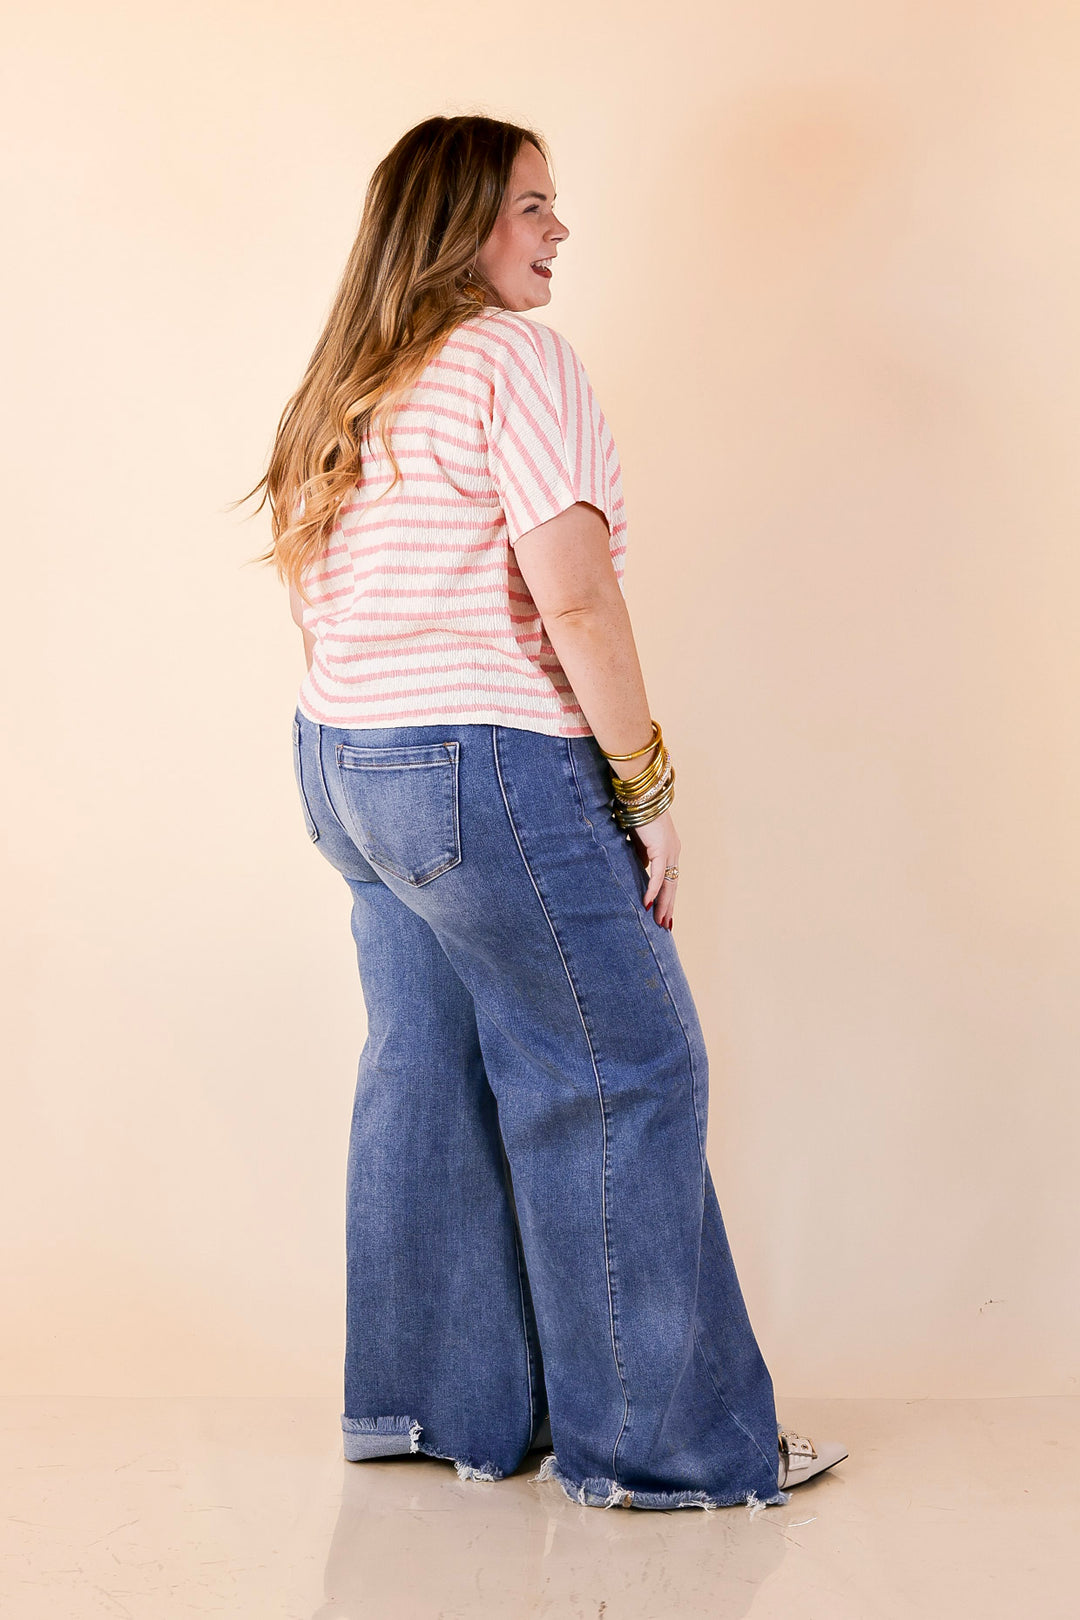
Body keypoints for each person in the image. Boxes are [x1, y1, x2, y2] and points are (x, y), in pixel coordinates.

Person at [240, 114, 847, 1510]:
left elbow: (329, 594)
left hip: (346, 763)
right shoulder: (516, 360)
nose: (557, 228)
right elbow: (572, 592)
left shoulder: (350, 385)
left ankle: (438, 1411)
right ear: (457, 225)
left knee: (429, 1067)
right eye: (530, 206)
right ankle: (664, 1450)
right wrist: (646, 788)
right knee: (625, 1071)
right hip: (486, 761)